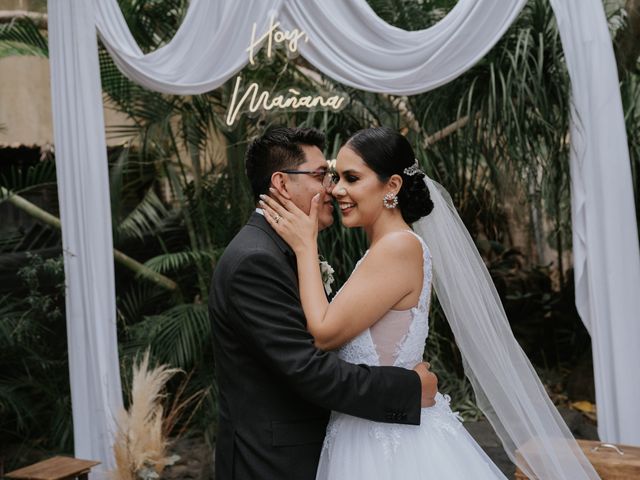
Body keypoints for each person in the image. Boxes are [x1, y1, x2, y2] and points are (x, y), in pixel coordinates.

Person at [260, 127, 601, 480]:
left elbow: (324, 334)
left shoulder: (398, 248)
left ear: (391, 186)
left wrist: (305, 246)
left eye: (352, 178)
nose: (336, 189)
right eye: (335, 177)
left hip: (388, 443)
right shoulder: (386, 249)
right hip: (372, 425)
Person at [208, 127, 438, 480]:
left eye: (344, 177)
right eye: (323, 175)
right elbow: (309, 369)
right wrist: (407, 388)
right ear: (282, 184)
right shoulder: (255, 260)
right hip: (272, 464)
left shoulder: (279, 248)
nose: (332, 188)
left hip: (355, 448)